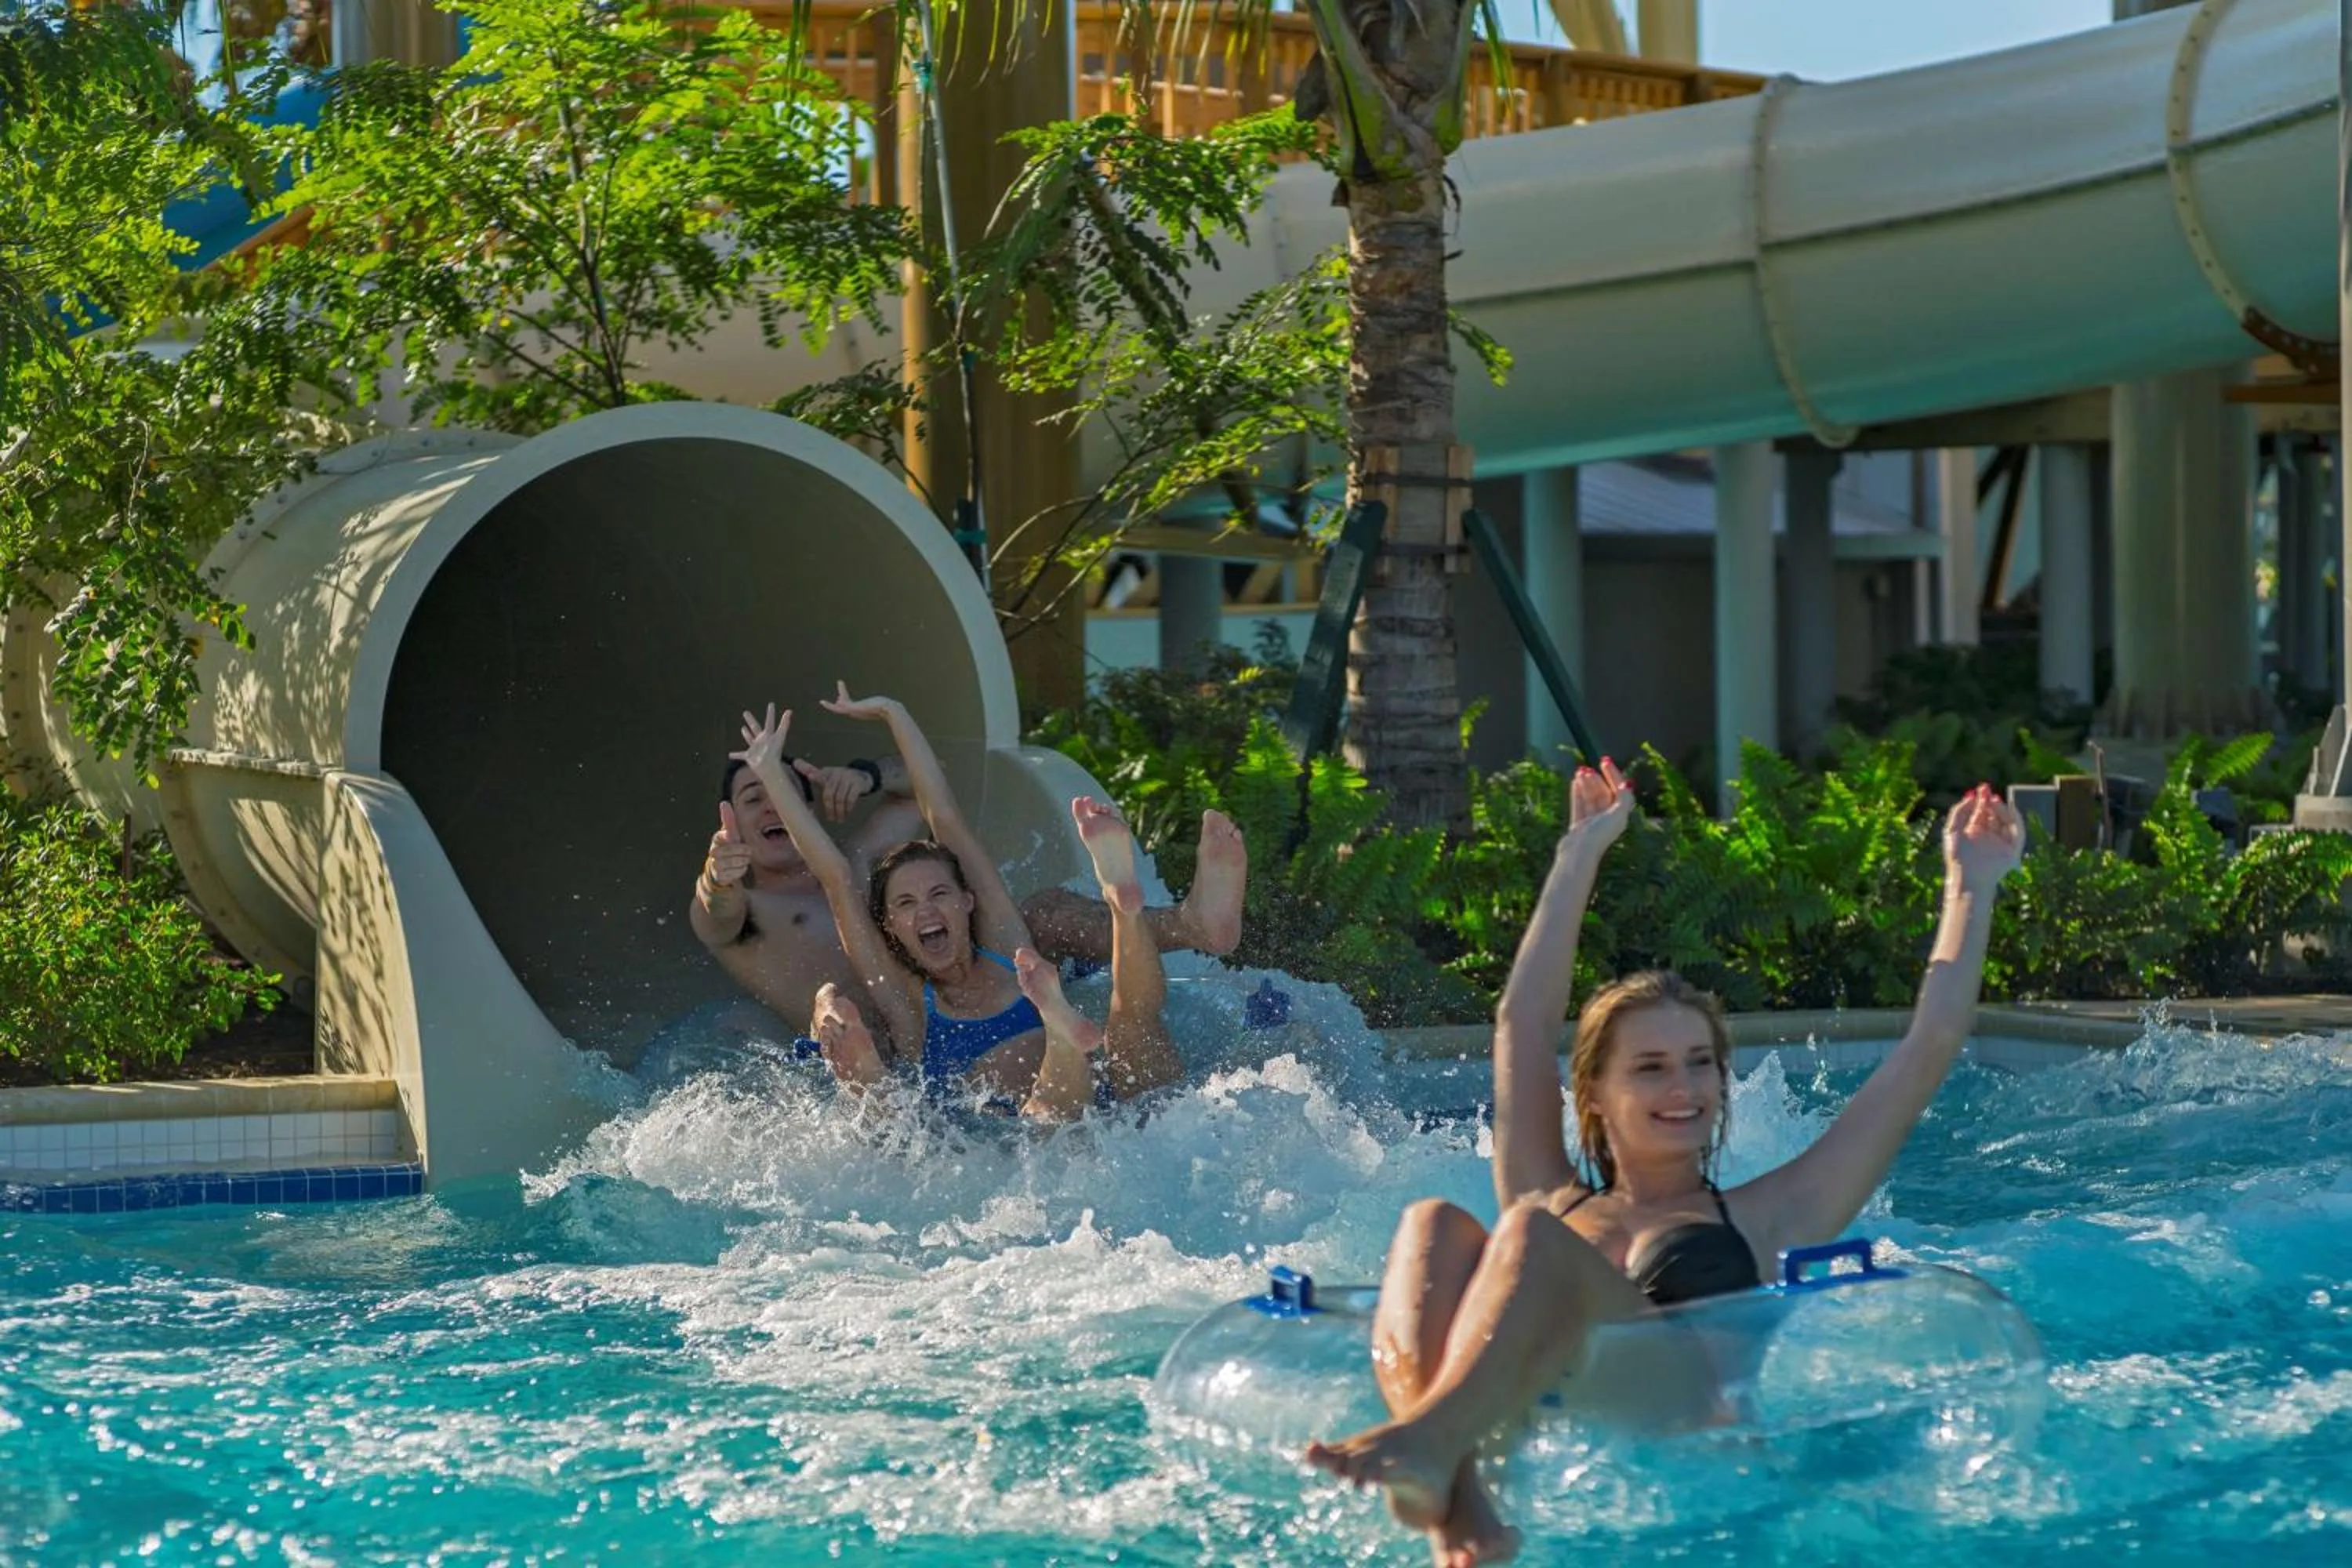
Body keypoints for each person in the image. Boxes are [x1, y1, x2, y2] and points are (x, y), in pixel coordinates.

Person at [1303, 758, 2026, 1567]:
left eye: (1700, 1063)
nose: (1684, 1088)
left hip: (1683, 1412)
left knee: (1531, 1234)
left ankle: (1432, 1447)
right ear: (1595, 1091)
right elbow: (1521, 1022)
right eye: (1650, 1068)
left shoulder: (1772, 1215)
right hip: (1563, 1398)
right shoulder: (1549, 1189)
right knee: (1433, 1219)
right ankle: (1456, 1486)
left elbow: (1929, 1047)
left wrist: (1972, 882)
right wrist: (1580, 849)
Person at [731, 685, 1244, 1120]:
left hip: (1118, 1108)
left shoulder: (1008, 950)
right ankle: (1064, 1030)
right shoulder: (909, 1006)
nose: (926, 911)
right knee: (1049, 1112)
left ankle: (1120, 903)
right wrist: (772, 774)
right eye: (905, 904)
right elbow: (837, 879)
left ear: (967, 902)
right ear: (890, 927)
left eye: (939, 894)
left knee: (1133, 1024)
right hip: (1038, 1136)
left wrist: (894, 712)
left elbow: (944, 817)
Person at [691, 731, 1246, 1046]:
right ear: (730, 822)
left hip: (963, 994)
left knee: (1043, 912)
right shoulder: (748, 912)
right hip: (889, 1044)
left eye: (784, 794)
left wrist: (865, 776)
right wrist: (718, 873)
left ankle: (1192, 925)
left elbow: (924, 788)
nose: (773, 806)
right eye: (754, 799)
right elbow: (714, 908)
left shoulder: (856, 861)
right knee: (834, 1009)